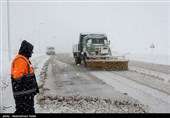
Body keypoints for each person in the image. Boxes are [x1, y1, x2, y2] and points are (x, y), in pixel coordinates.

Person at [11, 40, 39, 114]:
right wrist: (28, 84)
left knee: (27, 111)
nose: (31, 53)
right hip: (23, 95)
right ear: (26, 50)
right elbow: (17, 77)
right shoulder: (20, 60)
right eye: (31, 51)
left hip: (26, 94)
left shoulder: (24, 59)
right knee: (22, 112)